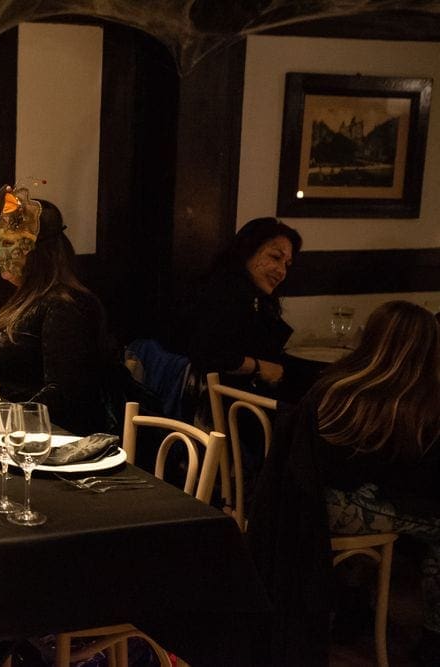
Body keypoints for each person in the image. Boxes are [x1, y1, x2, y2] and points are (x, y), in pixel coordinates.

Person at [0, 184, 117, 435]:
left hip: (38, 447)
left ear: (38, 251)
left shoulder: (65, 307)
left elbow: (64, 396)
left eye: (8, 243)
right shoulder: (5, 300)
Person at [315, 300, 440, 660]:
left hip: (309, 502)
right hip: (347, 509)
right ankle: (432, 636)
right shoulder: (415, 404)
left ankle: (352, 607)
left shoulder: (335, 383)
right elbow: (416, 482)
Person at [179, 216, 303, 399]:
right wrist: (261, 368)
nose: (282, 271)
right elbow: (209, 352)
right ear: (247, 251)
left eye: (287, 264)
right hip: (222, 408)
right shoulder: (221, 292)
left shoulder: (255, 297)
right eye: (275, 257)